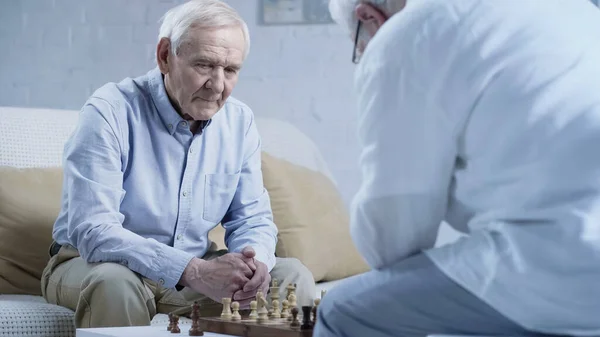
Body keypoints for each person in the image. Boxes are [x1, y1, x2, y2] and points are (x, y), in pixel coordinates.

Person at [315, 0, 600, 336]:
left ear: (368, 17)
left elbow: (390, 242)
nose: (364, 56)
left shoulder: (404, 35)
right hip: (577, 256)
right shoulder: (572, 8)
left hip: (564, 260)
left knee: (344, 311)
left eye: (359, 47)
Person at [40, 0, 315, 328]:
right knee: (116, 285)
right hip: (97, 264)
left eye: (230, 70)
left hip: (192, 272)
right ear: (165, 56)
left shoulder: (239, 121)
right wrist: (194, 271)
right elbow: (94, 231)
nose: (217, 85)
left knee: (291, 276)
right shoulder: (109, 111)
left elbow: (252, 218)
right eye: (204, 65)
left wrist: (253, 263)